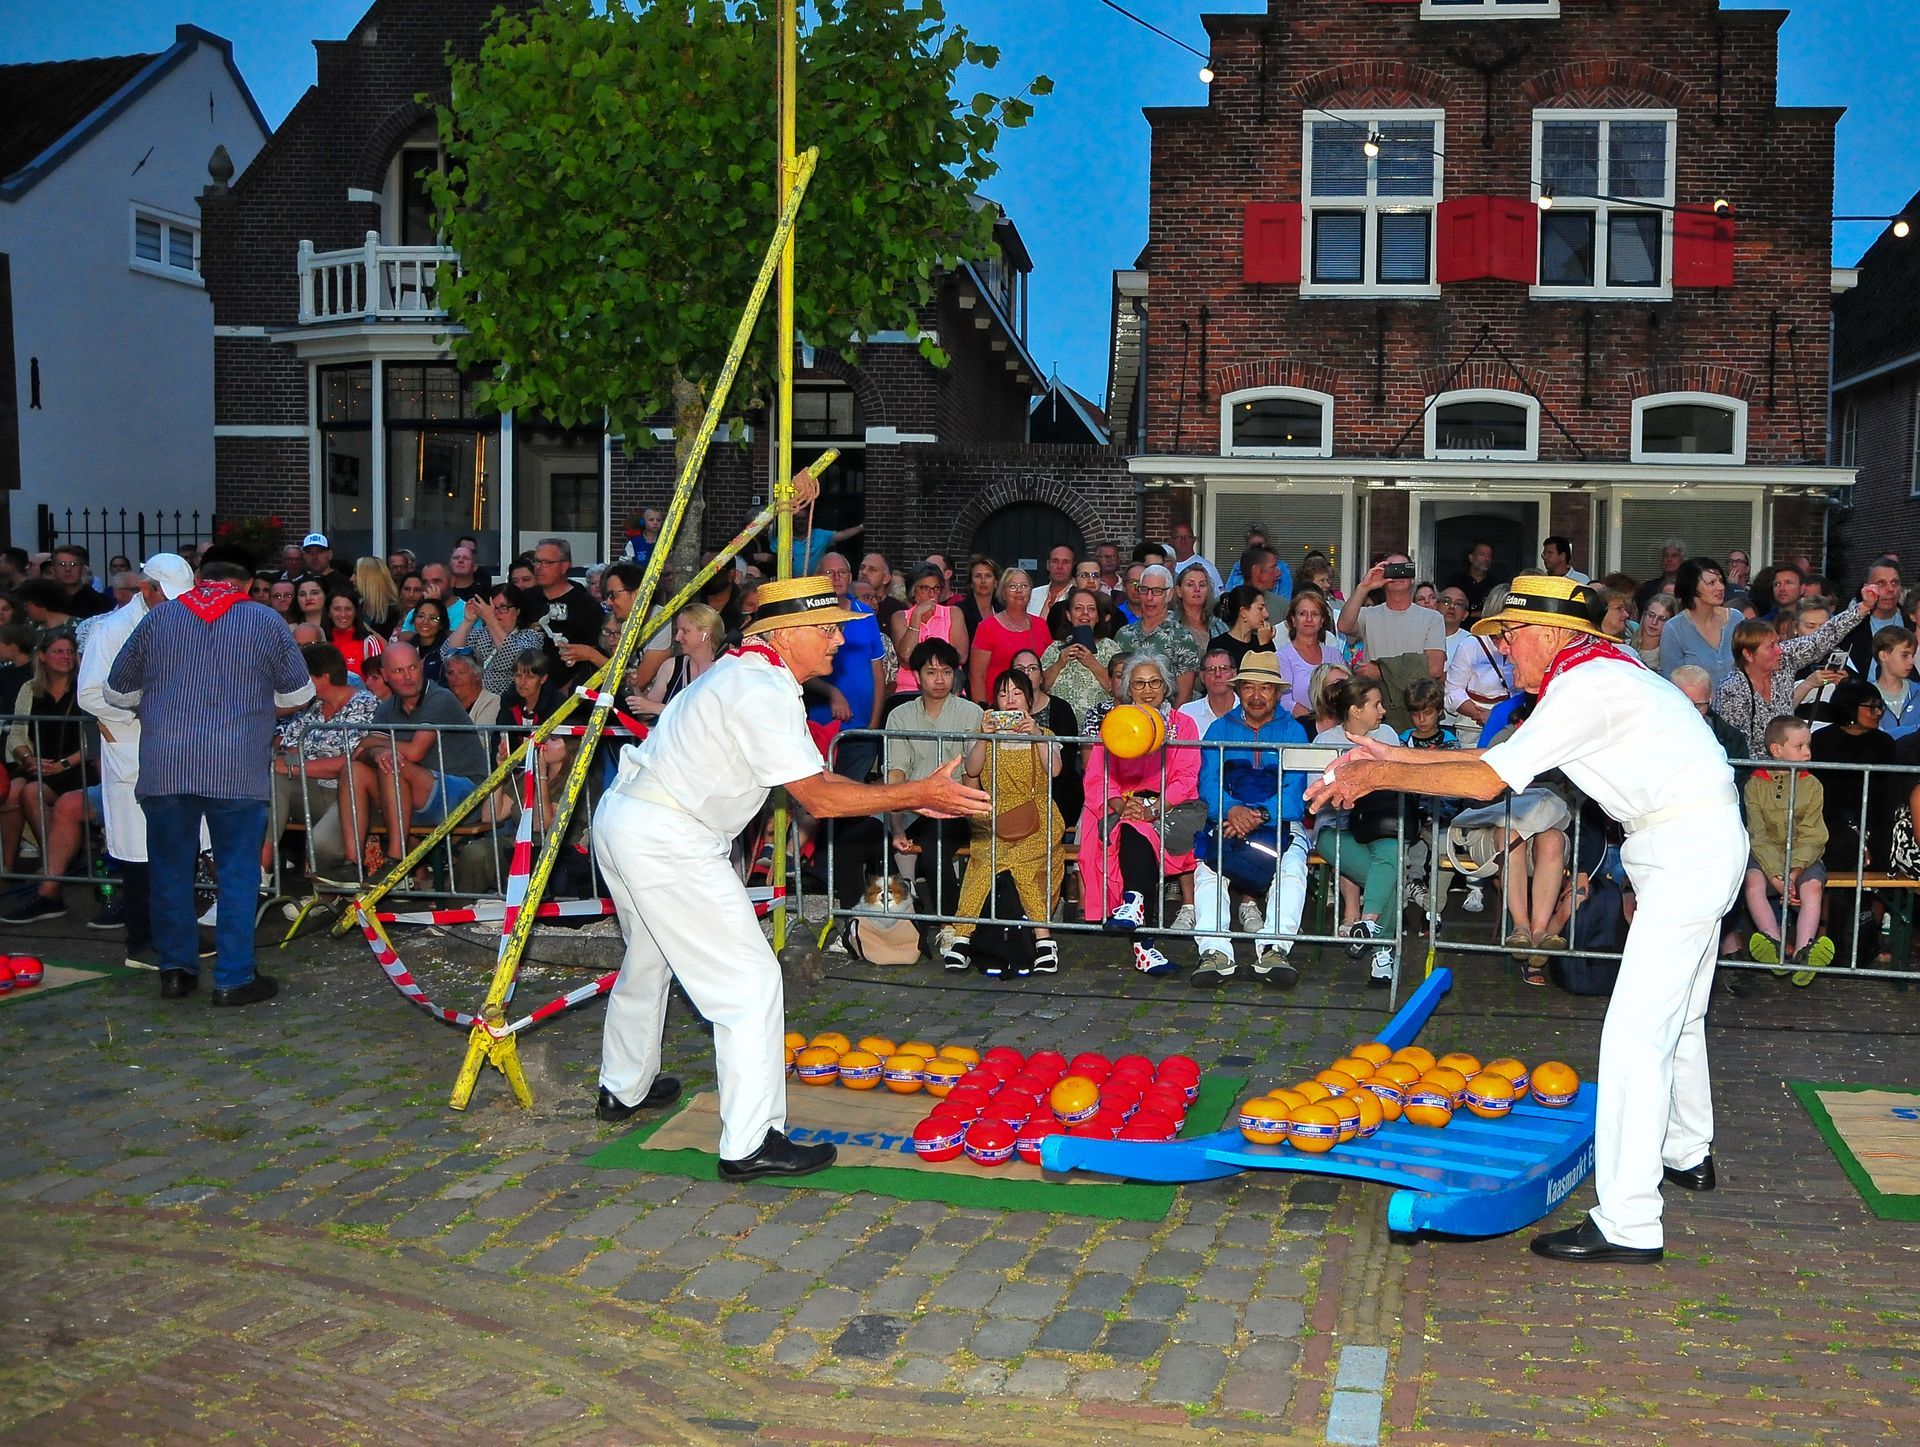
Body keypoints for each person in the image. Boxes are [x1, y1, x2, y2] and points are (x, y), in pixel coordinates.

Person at [1308, 575, 1747, 1264]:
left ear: (1550, 634)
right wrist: (1392, 755)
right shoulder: (1598, 672)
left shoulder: (1586, 684)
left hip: (1688, 846)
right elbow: (1495, 763)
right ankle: (1686, 1151)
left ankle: (1630, 1221)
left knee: (1636, 1034)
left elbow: (1487, 780)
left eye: (1510, 637)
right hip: (1693, 840)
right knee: (1680, 1015)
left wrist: (1381, 776)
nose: (1504, 651)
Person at [592, 572, 988, 1179]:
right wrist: (919, 791)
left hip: (629, 820)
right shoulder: (761, 688)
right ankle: (750, 1143)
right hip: (668, 838)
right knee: (751, 984)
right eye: (827, 629)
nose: (838, 641)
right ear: (788, 632)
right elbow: (819, 798)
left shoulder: (747, 673)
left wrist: (909, 794)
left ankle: (624, 1087)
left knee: (648, 960)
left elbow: (815, 790)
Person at [105, 554, 314, 1004]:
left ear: (199, 580)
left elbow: (116, 691)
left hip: (166, 764)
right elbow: (300, 693)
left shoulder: (160, 618)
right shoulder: (264, 621)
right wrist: (259, 706)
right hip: (236, 767)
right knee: (237, 875)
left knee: (169, 873)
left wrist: (156, 701)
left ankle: (176, 971)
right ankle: (234, 977)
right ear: (249, 583)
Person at [73, 553, 192, 954]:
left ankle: (177, 935)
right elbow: (89, 693)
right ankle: (142, 941)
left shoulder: (186, 622)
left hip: (177, 751)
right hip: (133, 749)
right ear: (146, 589)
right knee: (140, 853)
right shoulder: (111, 630)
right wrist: (142, 707)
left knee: (177, 847)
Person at [1190, 650, 1310, 989]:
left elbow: (1296, 788)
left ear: (1278, 693)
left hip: (1280, 822)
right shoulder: (1218, 728)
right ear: (1239, 689)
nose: (1257, 696)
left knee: (1293, 870)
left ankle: (1274, 950)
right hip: (1226, 819)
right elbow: (1208, 781)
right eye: (1249, 687)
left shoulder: (1294, 731)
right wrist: (1231, 810)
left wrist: (1260, 814)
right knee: (1208, 871)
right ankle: (1215, 952)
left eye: (1266, 688)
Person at [1077, 652, 1200, 977]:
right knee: (1131, 830)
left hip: (1171, 809)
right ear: (1128, 689)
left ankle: (1135, 912)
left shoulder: (1182, 724)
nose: (1148, 690)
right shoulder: (1116, 724)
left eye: (1155, 682)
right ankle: (1141, 934)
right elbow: (1098, 778)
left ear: (1166, 687)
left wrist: (1153, 808)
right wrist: (1121, 805)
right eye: (1139, 683)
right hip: (1122, 809)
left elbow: (1187, 778)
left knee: (1138, 830)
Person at [326, 642, 490, 883]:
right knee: (355, 770)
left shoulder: (440, 698)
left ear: (422, 666)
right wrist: (375, 752)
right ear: (385, 675)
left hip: (466, 793)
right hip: (416, 793)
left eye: (413, 667)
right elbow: (359, 754)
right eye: (399, 671)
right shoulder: (386, 709)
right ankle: (352, 864)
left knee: (393, 763)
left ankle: (396, 860)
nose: (408, 677)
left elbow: (414, 752)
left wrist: (377, 746)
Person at [945, 668, 1066, 975]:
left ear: (1028, 699)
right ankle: (961, 939)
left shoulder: (1045, 735)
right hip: (993, 815)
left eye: (1016, 693)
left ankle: (1043, 942)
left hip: (1037, 815)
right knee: (981, 865)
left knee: (1025, 867)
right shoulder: (986, 736)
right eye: (1002, 694)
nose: (1010, 700)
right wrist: (984, 735)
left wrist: (1035, 733)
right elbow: (972, 770)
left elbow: (1054, 771)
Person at [1309, 675, 1402, 988]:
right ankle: (1382, 954)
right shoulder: (1325, 741)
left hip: (1378, 824)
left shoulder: (1387, 735)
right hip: (1336, 828)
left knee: (1389, 855)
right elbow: (1313, 796)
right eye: (1376, 705)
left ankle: (1369, 925)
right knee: (1389, 878)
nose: (1383, 711)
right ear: (1355, 711)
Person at [0, 632, 99, 921]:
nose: (65, 657)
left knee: (30, 792)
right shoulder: (30, 689)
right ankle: (39, 865)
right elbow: (17, 733)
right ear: (42, 656)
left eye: (69, 652)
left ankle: (52, 868)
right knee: (20, 789)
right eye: (58, 651)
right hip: (39, 765)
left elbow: (91, 740)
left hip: (75, 767)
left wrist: (63, 765)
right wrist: (30, 759)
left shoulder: (83, 689)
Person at [1713, 591, 1870, 759]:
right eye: (1771, 646)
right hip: (1754, 775)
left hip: (1792, 766)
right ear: (1749, 655)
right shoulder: (1732, 689)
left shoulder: (1785, 659)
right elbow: (1737, 747)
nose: (1780, 650)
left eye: (1778, 643)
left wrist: (1863, 607)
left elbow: (1820, 639)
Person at [270, 643, 382, 876]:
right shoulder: (313, 708)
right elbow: (287, 750)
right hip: (312, 791)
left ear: (323, 677)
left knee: (321, 844)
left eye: (303, 677)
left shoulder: (365, 705)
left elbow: (351, 761)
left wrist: (296, 766)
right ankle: (261, 871)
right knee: (276, 779)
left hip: (351, 796)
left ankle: (326, 896)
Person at [1742, 717, 1833, 985]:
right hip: (1764, 857)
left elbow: (1814, 835)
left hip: (1803, 859)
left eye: (1809, 745)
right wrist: (1775, 875)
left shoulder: (1813, 785)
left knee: (1813, 888)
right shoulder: (1755, 785)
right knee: (1752, 883)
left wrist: (1794, 872)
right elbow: (1757, 834)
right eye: (1800, 746)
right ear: (1776, 750)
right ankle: (1776, 945)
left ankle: (1804, 950)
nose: (1808, 752)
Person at [1337, 554, 1445, 729]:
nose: (1398, 574)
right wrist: (1364, 587)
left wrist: (1382, 670)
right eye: (1391, 569)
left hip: (1418, 710)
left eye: (1403, 569)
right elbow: (1343, 626)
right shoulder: (1368, 614)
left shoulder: (1433, 618)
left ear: (1412, 578)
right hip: (1378, 709)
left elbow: (1434, 668)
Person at [806, 554, 887, 781]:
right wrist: (832, 692)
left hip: (862, 728)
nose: (836, 578)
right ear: (817, 577)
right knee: (822, 799)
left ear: (850, 577)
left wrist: (873, 723)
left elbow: (878, 672)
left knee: (850, 797)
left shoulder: (865, 614)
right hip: (820, 726)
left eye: (841, 572)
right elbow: (800, 671)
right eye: (829, 573)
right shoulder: (808, 616)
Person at [1114, 564, 1200, 703]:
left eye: (1157, 591)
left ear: (1169, 594)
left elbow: (1184, 695)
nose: (1149, 597)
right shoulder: (1124, 634)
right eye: (1144, 590)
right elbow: (1116, 685)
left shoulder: (1182, 637)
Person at [526, 537, 604, 686]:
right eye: (536, 561)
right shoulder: (527, 599)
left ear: (564, 566)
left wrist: (569, 691)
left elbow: (595, 654)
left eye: (547, 562)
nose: (538, 567)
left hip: (569, 692)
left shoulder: (586, 605)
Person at [449, 583, 546, 698]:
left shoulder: (531, 636)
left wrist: (491, 621)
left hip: (503, 701)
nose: (496, 613)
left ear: (518, 611)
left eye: (503, 607)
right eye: (493, 608)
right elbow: (449, 653)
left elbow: (518, 660)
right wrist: (468, 621)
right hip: (468, 698)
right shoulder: (481, 633)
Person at [969, 567, 1049, 703]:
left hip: (1034, 704)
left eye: (1024, 586)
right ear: (1003, 592)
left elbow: (1047, 668)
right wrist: (983, 710)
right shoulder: (987, 627)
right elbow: (977, 676)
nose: (1019, 590)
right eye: (1012, 586)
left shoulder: (1041, 625)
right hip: (998, 706)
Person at [889, 563, 968, 700]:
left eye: (936, 588)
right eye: (925, 588)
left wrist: (924, 660)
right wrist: (916, 617)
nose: (932, 594)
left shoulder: (954, 613)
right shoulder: (900, 617)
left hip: (948, 690)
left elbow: (960, 656)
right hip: (909, 690)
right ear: (913, 591)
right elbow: (906, 657)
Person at [1039, 587, 1119, 722]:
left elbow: (1120, 691)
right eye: (1078, 608)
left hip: (1100, 727)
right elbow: (1039, 689)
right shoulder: (1054, 648)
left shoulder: (1110, 648)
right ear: (1069, 615)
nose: (1085, 613)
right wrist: (1059, 664)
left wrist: (1092, 664)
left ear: (1098, 617)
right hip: (1061, 728)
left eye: (1091, 609)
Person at [630, 604, 724, 719]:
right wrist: (635, 688)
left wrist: (658, 708)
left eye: (685, 631)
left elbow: (711, 717)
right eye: (677, 630)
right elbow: (646, 713)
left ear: (706, 633)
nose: (677, 637)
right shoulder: (671, 666)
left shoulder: (724, 669)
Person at [1659, 557, 1736, 690]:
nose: (1720, 587)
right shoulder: (1674, 629)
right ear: (1693, 587)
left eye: (1721, 581)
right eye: (1712, 583)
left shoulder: (1736, 619)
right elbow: (1670, 682)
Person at [1180, 646, 1240, 736]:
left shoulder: (1248, 711)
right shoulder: (1187, 713)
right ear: (1202, 676)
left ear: (1234, 673)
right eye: (1211, 670)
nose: (1217, 674)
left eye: (1224, 668)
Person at [1214, 584, 1274, 673]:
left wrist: (1265, 644)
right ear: (1243, 613)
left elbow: (1271, 675)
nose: (1266, 614)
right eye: (1260, 608)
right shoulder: (1219, 645)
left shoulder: (1263, 639)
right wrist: (1263, 645)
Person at [442, 650, 500, 728]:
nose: (454, 678)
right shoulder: (445, 703)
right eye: (450, 673)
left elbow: (481, 738)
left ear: (477, 675)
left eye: (461, 673)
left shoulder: (491, 701)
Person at [1171, 562, 1216, 662]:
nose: (1197, 589)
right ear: (1178, 591)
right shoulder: (1170, 625)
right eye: (1190, 585)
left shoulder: (1219, 625)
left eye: (1202, 585)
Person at [1443, 539, 1500, 616]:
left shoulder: (1496, 585)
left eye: (1489, 556)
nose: (1487, 559)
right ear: (1471, 558)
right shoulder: (1456, 581)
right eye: (1482, 555)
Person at [1168, 520, 1222, 594]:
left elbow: (1218, 597)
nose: (1183, 541)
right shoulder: (1166, 566)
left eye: (1187, 537)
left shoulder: (1207, 567)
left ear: (1194, 540)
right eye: (1178, 537)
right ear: (1171, 540)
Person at [1027, 545, 1078, 623]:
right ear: (1048, 564)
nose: (1060, 566)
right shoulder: (1032, 595)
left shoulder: (1077, 597)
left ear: (1073, 566)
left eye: (1065, 562)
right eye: (1055, 561)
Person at [1634, 538, 1686, 613]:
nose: (1669, 559)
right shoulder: (1647, 588)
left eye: (1674, 555)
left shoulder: (1689, 587)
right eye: (1665, 555)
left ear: (1682, 559)